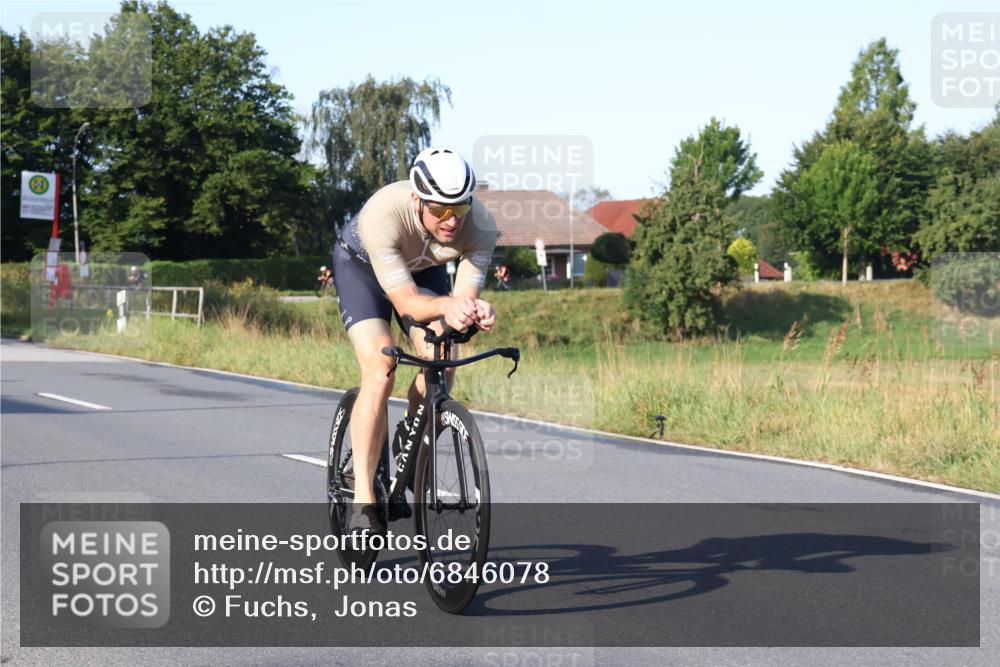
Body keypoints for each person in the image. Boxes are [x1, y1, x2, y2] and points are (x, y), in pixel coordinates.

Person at [332, 147, 498, 537]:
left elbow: (461, 300)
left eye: (460, 208)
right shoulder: (383, 214)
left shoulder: (482, 227)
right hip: (362, 271)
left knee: (445, 358)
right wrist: (449, 305)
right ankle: (362, 502)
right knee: (380, 368)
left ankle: (411, 425)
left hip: (422, 272)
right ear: (417, 199)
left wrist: (474, 310)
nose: (452, 220)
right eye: (440, 209)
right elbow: (406, 302)